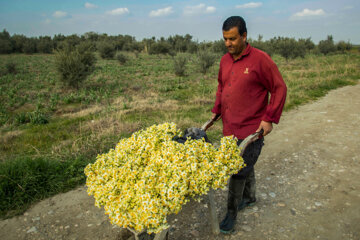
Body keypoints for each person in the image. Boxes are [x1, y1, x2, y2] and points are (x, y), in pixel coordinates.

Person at [211, 16, 287, 234]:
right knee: (245, 165)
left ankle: (230, 214)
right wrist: (217, 110)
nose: (228, 44)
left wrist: (269, 117)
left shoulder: (260, 60)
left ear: (244, 36)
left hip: (252, 131)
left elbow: (280, 88)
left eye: (233, 39)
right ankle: (250, 197)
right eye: (225, 39)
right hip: (229, 129)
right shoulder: (225, 61)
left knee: (237, 171)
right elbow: (221, 86)